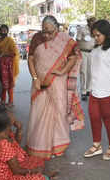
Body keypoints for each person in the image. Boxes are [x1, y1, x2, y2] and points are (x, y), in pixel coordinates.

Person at [26, 15, 84, 160]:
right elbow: (31, 59)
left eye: (50, 32)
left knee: (59, 113)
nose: (46, 35)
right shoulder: (36, 38)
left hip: (58, 82)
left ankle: (58, 146)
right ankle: (38, 146)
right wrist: (35, 78)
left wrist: (63, 71)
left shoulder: (65, 40)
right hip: (39, 83)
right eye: (43, 31)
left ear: (57, 29)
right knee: (38, 113)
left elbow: (73, 57)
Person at [0, 105, 58, 180]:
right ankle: (42, 178)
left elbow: (16, 144)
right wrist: (34, 171)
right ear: (9, 122)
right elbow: (16, 171)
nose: (14, 114)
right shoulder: (3, 144)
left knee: (36, 160)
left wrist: (19, 129)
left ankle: (40, 174)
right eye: (11, 114)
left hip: (4, 170)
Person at [83, 20, 110, 160]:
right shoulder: (96, 48)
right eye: (94, 35)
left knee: (108, 118)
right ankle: (96, 145)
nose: (96, 38)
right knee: (94, 116)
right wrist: (90, 88)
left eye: (98, 35)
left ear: (106, 33)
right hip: (96, 89)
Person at [0, 24, 20, 107]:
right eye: (1, 30)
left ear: (7, 31)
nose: (3, 32)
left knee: (9, 84)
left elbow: (14, 53)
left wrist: (4, 54)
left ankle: (11, 101)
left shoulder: (10, 40)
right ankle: (3, 100)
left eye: (5, 30)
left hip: (8, 65)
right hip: (0, 65)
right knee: (2, 84)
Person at [76, 17, 96, 101]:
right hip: (83, 52)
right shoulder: (82, 29)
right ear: (88, 22)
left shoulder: (95, 30)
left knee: (90, 72)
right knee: (83, 72)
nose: (93, 23)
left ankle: (88, 89)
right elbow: (77, 39)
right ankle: (83, 91)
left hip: (92, 52)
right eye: (92, 22)